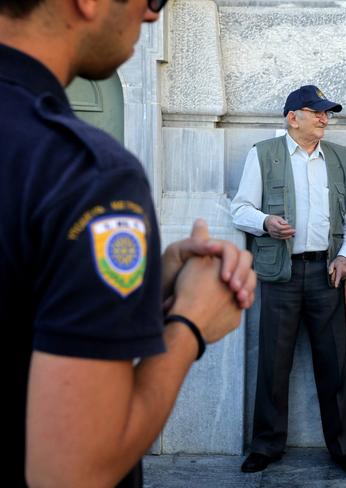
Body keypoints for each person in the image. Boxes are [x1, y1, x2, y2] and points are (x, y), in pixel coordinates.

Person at [0, 1, 257, 487]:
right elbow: (74, 473)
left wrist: (142, 288)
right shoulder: (86, 173)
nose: (152, 15)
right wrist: (189, 326)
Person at [231, 85, 346, 475]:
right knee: (273, 365)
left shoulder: (340, 158)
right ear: (294, 117)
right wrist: (265, 223)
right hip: (281, 275)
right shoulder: (263, 155)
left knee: (335, 365)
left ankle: (344, 449)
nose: (326, 119)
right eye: (318, 112)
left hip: (327, 273)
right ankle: (266, 446)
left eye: (328, 113)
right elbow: (239, 208)